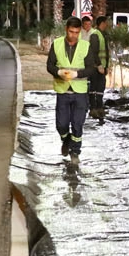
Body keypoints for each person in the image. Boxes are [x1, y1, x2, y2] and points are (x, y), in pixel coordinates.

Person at [47, 16, 92, 160]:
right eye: (71, 32)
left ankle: (75, 152)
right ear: (66, 29)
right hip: (63, 90)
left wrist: (77, 73)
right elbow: (50, 65)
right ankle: (66, 139)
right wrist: (58, 72)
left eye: (77, 32)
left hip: (80, 91)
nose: (74, 35)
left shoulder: (85, 46)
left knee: (78, 124)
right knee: (61, 125)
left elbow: (91, 68)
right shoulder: (57, 44)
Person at [86, 14, 111, 119]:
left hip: (102, 67)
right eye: (106, 23)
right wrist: (99, 65)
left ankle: (100, 108)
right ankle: (93, 109)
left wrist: (106, 66)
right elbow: (94, 52)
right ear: (102, 23)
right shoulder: (95, 35)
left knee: (100, 88)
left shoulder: (103, 35)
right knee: (94, 88)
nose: (107, 25)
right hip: (96, 68)